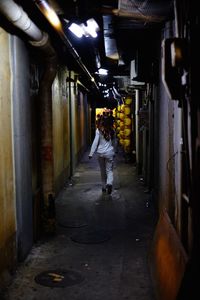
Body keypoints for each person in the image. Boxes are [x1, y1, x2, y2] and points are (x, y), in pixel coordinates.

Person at [88, 117, 115, 194]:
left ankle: (103, 187)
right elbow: (115, 142)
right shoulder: (112, 130)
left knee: (102, 171)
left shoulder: (98, 130)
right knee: (109, 170)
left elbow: (95, 142)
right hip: (109, 153)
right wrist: (114, 151)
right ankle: (109, 183)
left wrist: (91, 153)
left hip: (100, 153)